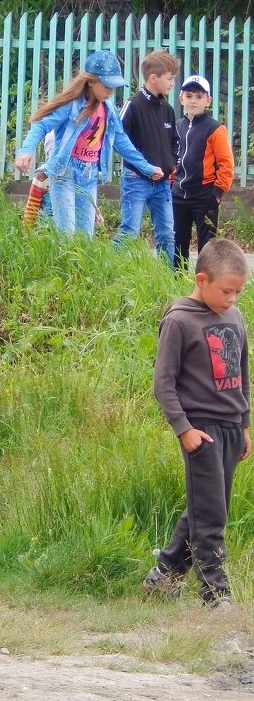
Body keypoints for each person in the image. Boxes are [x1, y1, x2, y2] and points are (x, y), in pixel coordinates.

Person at [147, 237, 250, 607]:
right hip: (200, 429)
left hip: (231, 426)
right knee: (212, 517)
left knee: (207, 507)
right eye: (227, 291)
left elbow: (242, 373)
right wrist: (184, 428)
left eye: (238, 292)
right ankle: (215, 595)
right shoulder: (179, 320)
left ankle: (164, 575)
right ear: (202, 279)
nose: (232, 300)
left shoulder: (234, 317)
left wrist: (244, 424)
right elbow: (163, 382)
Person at [15, 50, 161, 236]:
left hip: (89, 174)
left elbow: (121, 141)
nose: (110, 91)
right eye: (106, 85)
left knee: (86, 236)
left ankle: (78, 267)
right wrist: (26, 150)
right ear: (91, 81)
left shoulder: (108, 109)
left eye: (113, 86)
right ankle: (62, 264)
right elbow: (41, 125)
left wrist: (146, 167)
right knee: (66, 234)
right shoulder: (71, 105)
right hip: (64, 172)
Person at [112, 50, 180, 262]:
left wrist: (171, 164)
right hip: (136, 180)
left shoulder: (168, 109)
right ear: (153, 78)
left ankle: (165, 278)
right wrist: (144, 167)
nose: (172, 84)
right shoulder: (133, 104)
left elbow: (175, 142)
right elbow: (118, 138)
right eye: (170, 79)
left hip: (162, 184)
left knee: (167, 234)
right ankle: (113, 270)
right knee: (130, 230)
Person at [172, 75, 235, 271]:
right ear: (181, 98)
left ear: (208, 101)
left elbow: (226, 163)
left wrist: (216, 193)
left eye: (199, 97)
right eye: (189, 96)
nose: (193, 101)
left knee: (207, 245)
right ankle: (177, 278)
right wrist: (170, 183)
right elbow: (171, 157)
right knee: (178, 241)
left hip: (204, 196)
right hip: (178, 195)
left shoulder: (215, 129)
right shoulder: (176, 126)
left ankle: (204, 280)